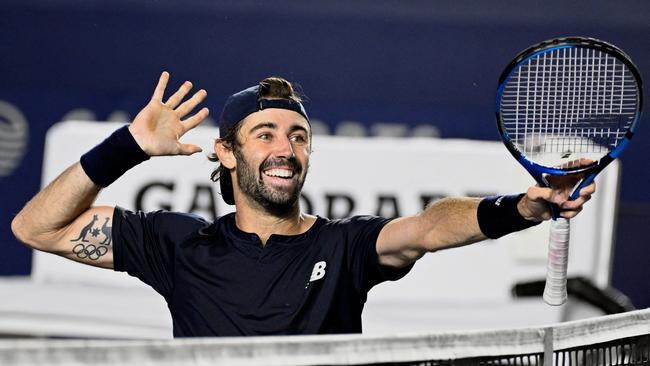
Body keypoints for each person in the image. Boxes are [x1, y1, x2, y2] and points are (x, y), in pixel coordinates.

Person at [11, 72, 595, 337]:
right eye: (264, 133)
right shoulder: (177, 243)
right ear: (227, 153)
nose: (284, 148)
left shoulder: (345, 247)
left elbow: (428, 227)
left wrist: (519, 208)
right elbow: (36, 227)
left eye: (297, 135)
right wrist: (129, 147)